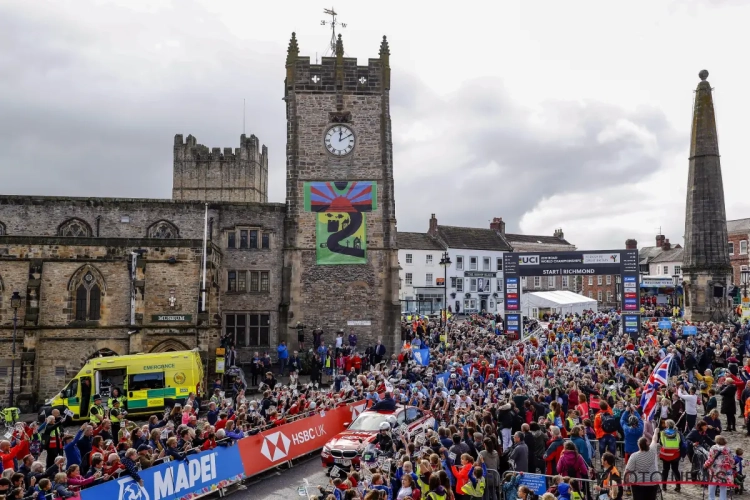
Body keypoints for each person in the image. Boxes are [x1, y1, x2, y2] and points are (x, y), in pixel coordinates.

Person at [625, 433, 660, 500]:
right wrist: (655, 431)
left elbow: (628, 471)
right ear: (647, 444)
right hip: (652, 481)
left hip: (638, 483)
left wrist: (626, 483)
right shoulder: (652, 451)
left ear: (639, 445)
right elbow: (654, 439)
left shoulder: (634, 456)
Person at [705, 435, 734, 500]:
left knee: (712, 485)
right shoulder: (727, 449)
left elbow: (710, 459)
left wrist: (705, 465)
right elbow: (732, 460)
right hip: (724, 470)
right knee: (723, 486)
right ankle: (723, 498)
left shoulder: (713, 448)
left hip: (714, 470)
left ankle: (711, 498)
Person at [658, 419, 682, 493]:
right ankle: (678, 486)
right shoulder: (677, 433)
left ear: (667, 425)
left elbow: (661, 443)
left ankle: (664, 487)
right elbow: (680, 443)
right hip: (675, 454)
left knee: (665, 470)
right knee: (675, 470)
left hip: (666, 454)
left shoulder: (662, 433)